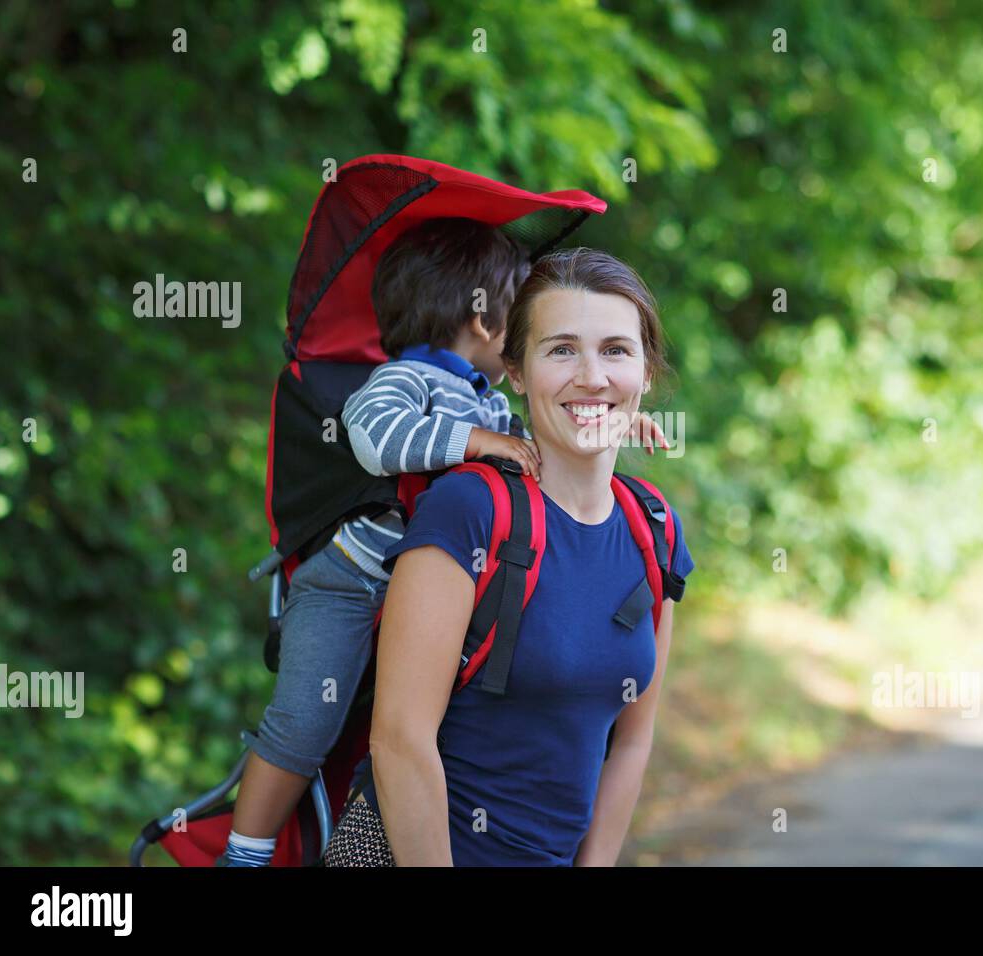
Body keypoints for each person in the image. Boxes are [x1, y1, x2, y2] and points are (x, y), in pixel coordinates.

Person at [323, 247, 694, 866]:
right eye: (561, 349)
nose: (592, 377)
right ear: (516, 371)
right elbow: (400, 740)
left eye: (616, 350)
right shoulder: (468, 508)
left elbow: (631, 741)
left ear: (646, 372)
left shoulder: (653, 528)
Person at [219, 218, 541, 866]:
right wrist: (479, 443)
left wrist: (610, 426)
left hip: (434, 603)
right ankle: (243, 856)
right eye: (521, 315)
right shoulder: (405, 378)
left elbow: (543, 471)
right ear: (482, 319)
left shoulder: (490, 405)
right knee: (304, 722)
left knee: (418, 735)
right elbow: (376, 438)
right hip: (348, 583)